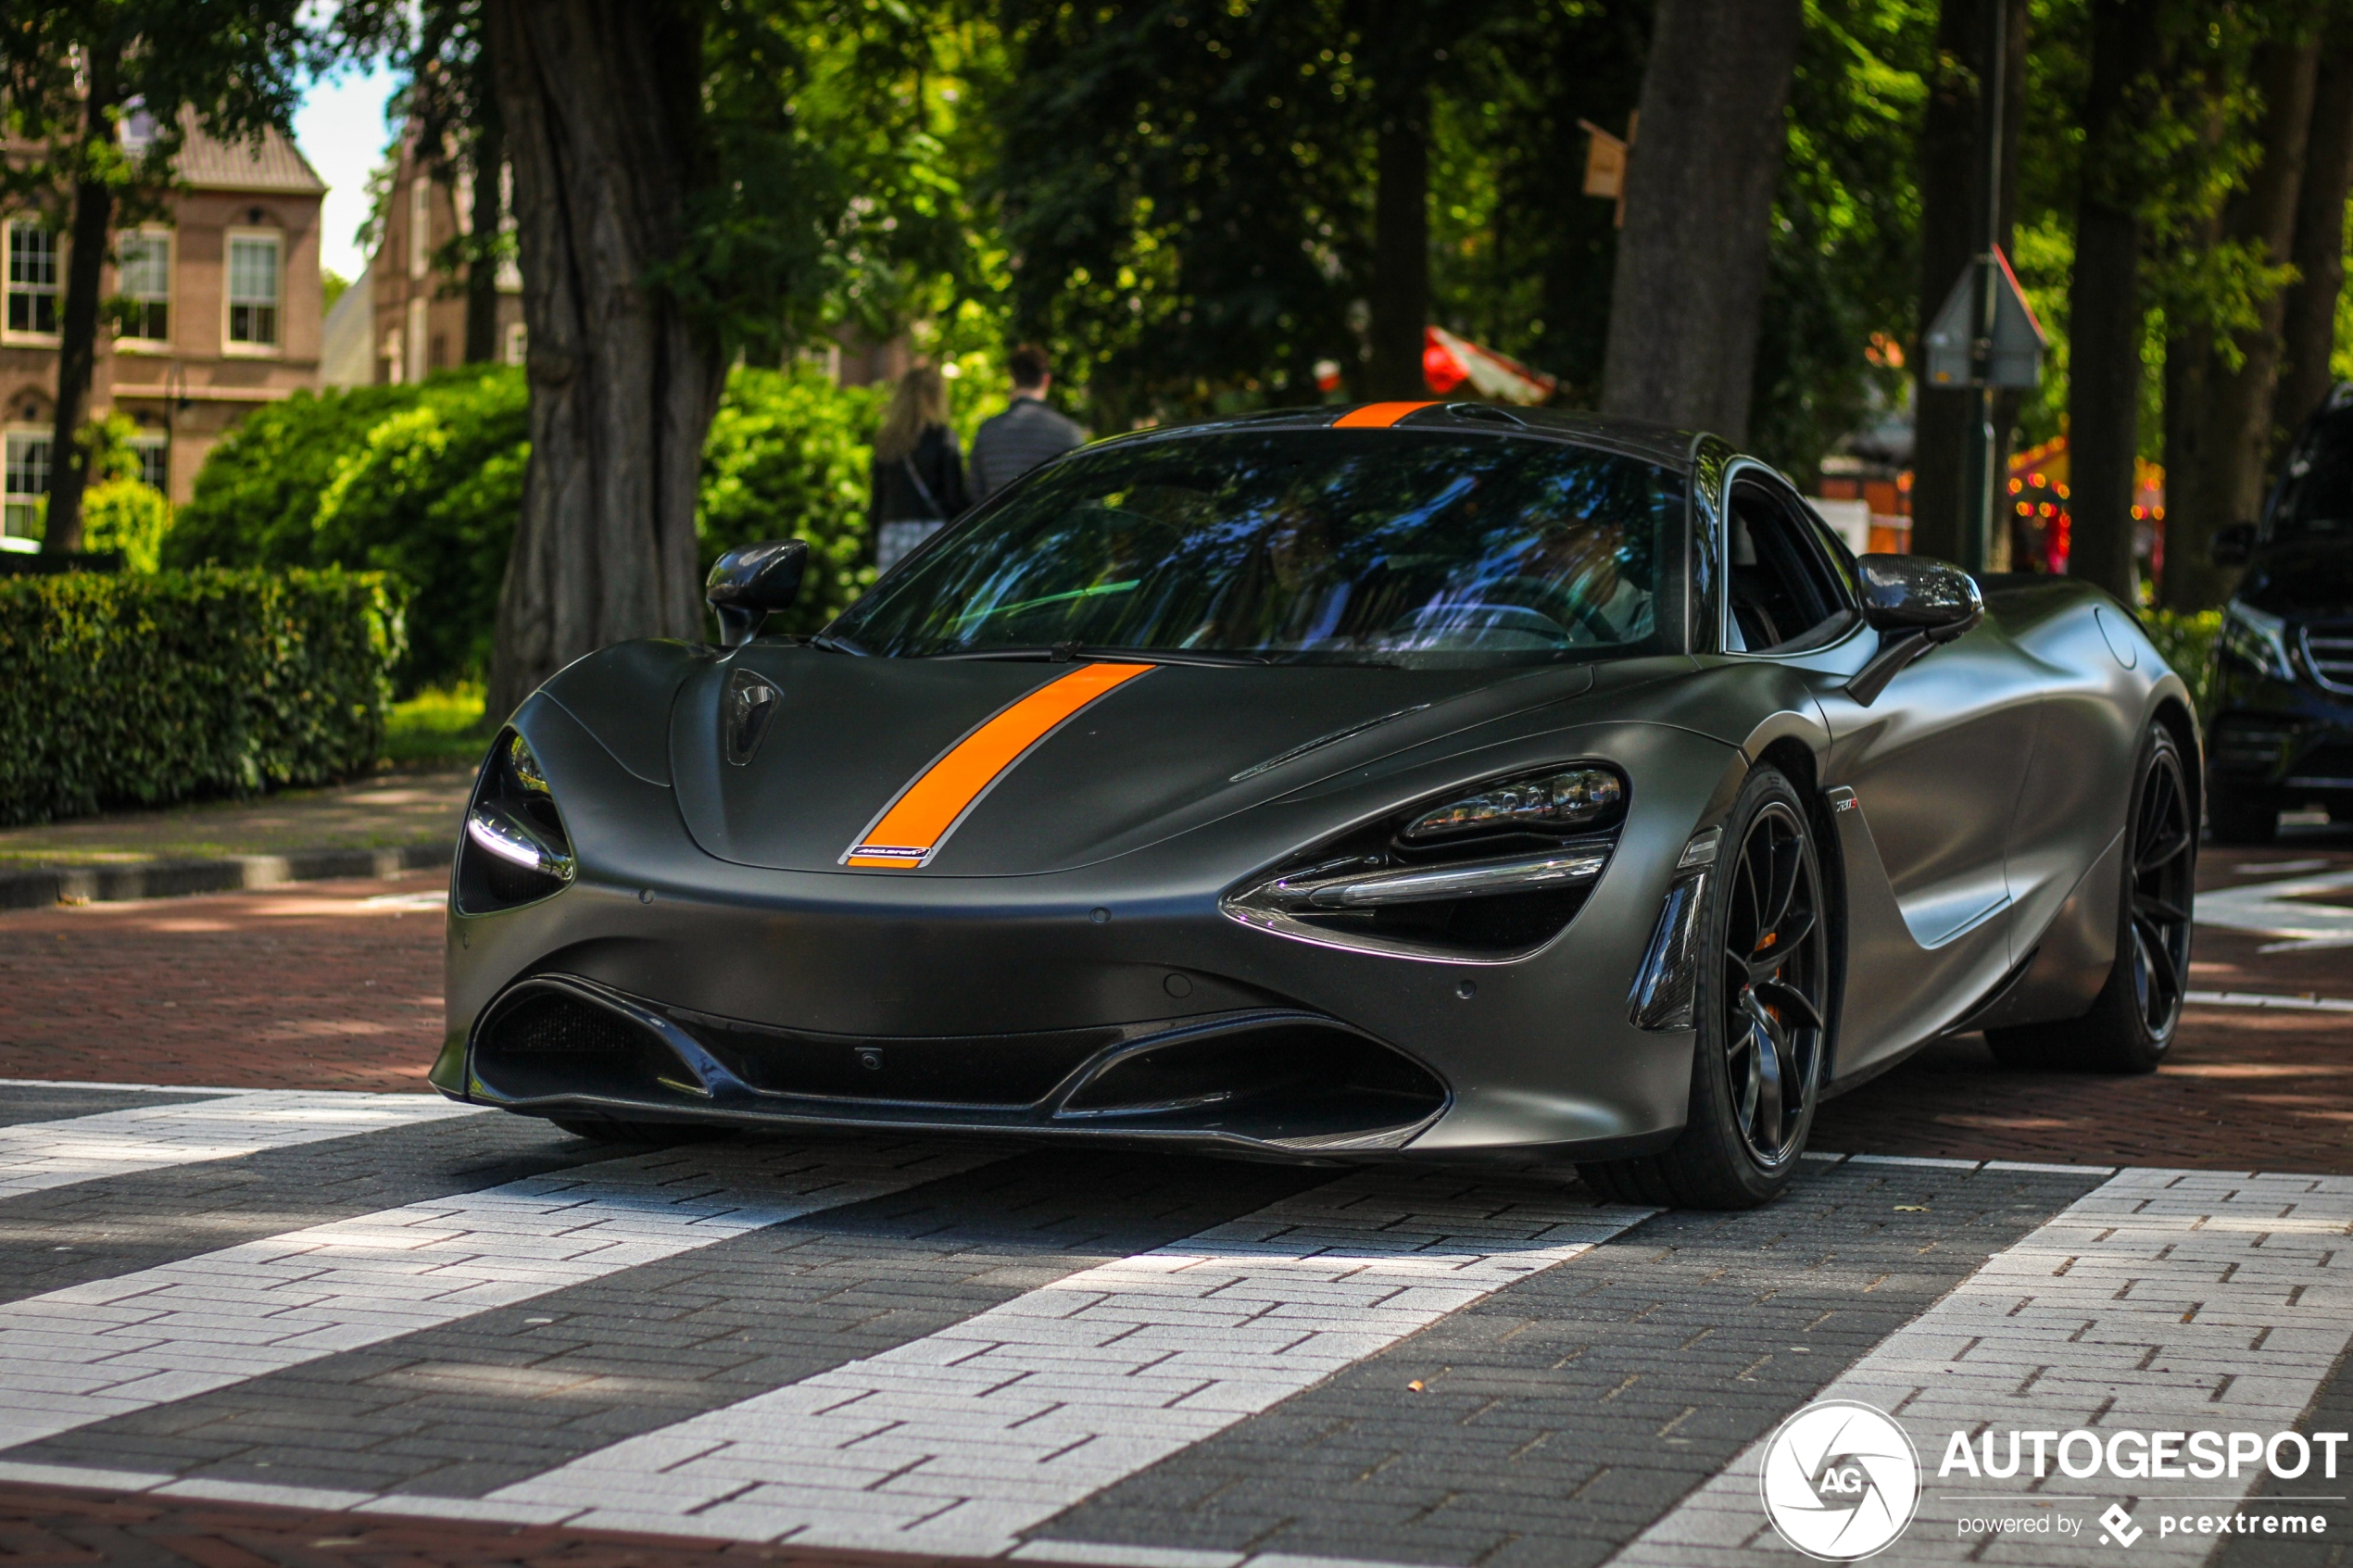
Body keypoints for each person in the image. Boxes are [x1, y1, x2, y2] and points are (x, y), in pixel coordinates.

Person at [869, 365, 970, 571]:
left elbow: (877, 501)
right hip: (933, 533)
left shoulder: (887, 440)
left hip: (893, 533)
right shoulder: (943, 438)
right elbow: (954, 497)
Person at [969, 345, 1087, 499]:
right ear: (1046, 380)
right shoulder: (1068, 432)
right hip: (1052, 521)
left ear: (1012, 378)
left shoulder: (987, 431)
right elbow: (1082, 492)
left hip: (1002, 522)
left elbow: (974, 494)